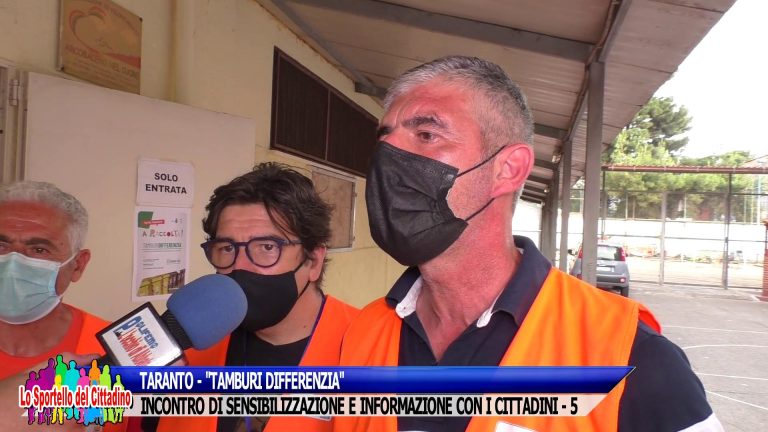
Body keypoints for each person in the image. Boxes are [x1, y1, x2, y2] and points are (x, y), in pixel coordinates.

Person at [336, 56, 723, 431]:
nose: (388, 159)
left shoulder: (627, 355)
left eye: (426, 135)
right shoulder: (364, 333)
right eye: (384, 140)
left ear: (508, 169)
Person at [155, 162, 359, 432]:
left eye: (267, 247)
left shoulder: (368, 349)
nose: (240, 266)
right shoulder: (188, 339)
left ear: (313, 261)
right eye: (227, 248)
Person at [0, 181, 112, 430]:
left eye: (39, 249)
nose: (13, 263)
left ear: (78, 265)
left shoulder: (113, 349)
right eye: (1, 246)